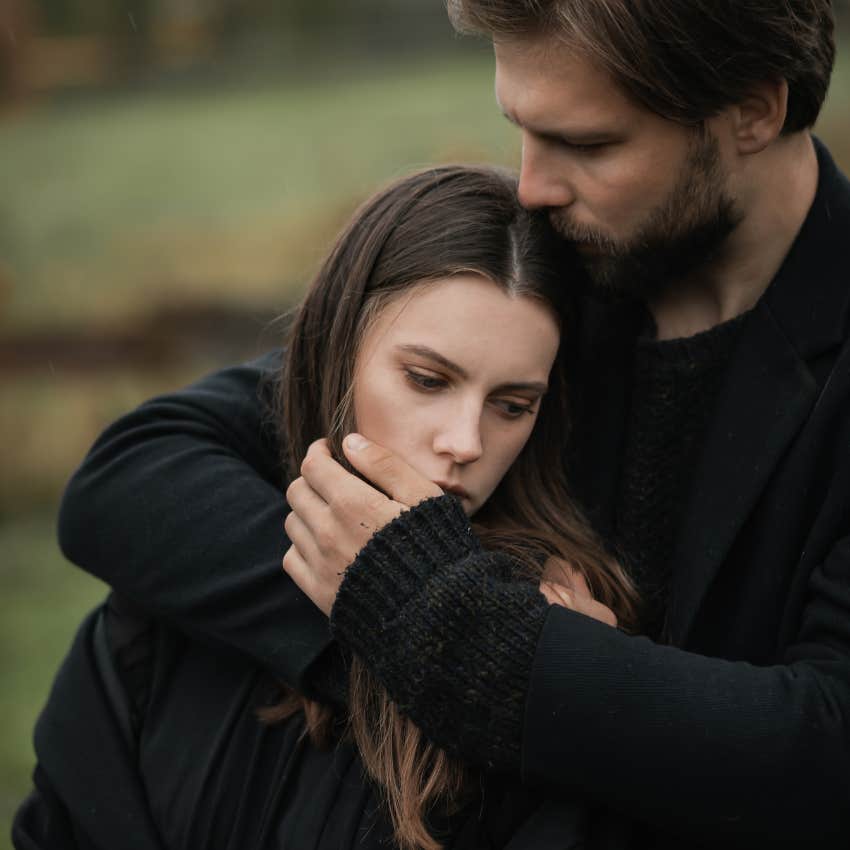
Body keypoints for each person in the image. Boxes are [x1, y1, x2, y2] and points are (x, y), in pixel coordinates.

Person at [31, 0, 850, 846]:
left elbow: (826, 748)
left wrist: (478, 646)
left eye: (590, 144)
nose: (533, 187)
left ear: (755, 109)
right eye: (523, 130)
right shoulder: (547, 279)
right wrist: (408, 630)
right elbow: (134, 475)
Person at [14, 165, 638, 850]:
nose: (464, 443)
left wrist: (561, 695)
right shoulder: (168, 599)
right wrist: (387, 622)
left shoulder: (563, 625)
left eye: (512, 405)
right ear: (336, 354)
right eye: (426, 380)